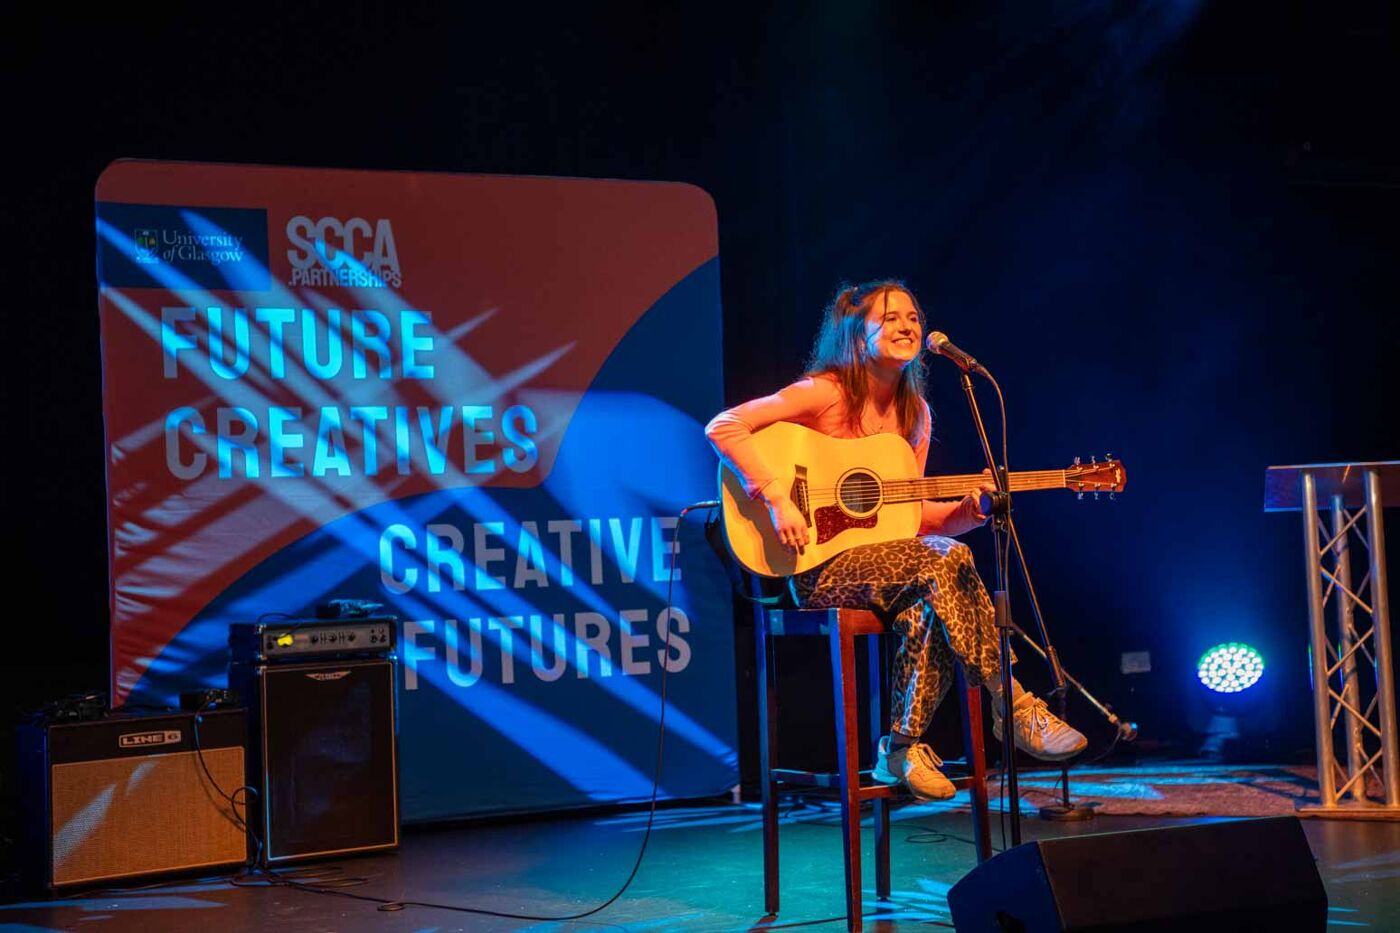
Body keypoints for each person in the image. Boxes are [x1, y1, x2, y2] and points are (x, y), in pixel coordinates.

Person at [705, 279, 1086, 800]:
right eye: (889, 318)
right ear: (856, 335)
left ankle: (902, 746)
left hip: (891, 567)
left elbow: (907, 520)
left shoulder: (915, 416)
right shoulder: (826, 392)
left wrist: (967, 511)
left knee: (933, 594)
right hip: (812, 566)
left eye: (912, 317)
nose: (907, 326)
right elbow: (725, 427)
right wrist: (777, 499)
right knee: (945, 563)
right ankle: (1014, 704)